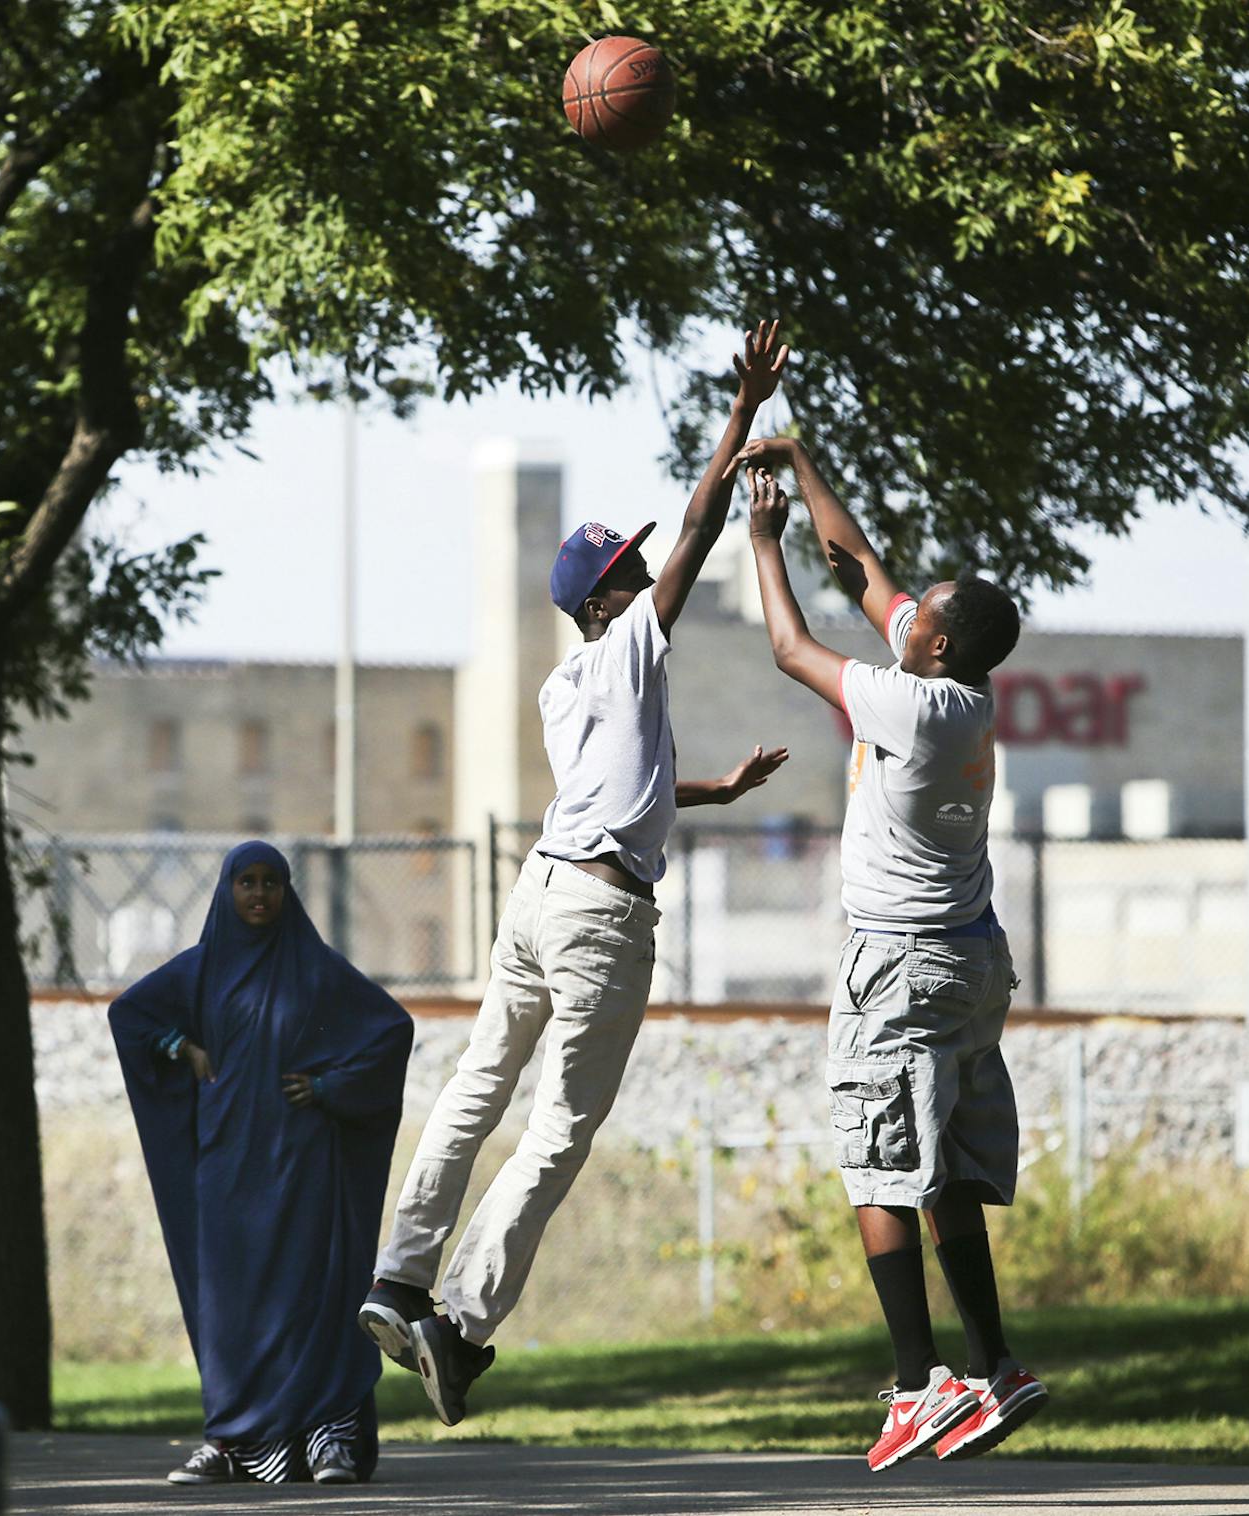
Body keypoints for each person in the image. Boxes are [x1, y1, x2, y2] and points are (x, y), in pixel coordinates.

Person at [359, 322, 794, 1428]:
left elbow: (614, 794)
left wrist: (710, 794)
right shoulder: (635, 642)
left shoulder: (567, 686)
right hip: (598, 912)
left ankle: (397, 1275)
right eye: (630, 573)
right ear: (604, 601)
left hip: (541, 889)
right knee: (558, 1122)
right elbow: (701, 528)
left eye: (641, 566)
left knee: (478, 1082)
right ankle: (456, 1327)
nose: (651, 576)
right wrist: (740, 410)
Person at [730, 431, 1037, 1470]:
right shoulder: (960, 687)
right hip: (970, 958)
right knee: (940, 1160)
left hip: (902, 964)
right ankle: (994, 1365)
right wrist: (807, 460)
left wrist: (762, 538)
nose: (903, 613)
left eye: (923, 614)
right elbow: (861, 565)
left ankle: (918, 1386)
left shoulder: (913, 704)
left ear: (939, 647)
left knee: (878, 1161)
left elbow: (789, 647)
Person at [109, 841, 413, 1486]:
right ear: (226, 890)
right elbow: (129, 1014)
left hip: (305, 1168)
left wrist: (331, 1089)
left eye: (271, 882)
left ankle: (330, 1438)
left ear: (287, 891)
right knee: (231, 1307)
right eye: (246, 882)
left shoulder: (317, 971)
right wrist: (180, 1046)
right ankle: (234, 1442)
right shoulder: (199, 972)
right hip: (225, 1168)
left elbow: (390, 1031)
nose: (258, 894)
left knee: (314, 1295)